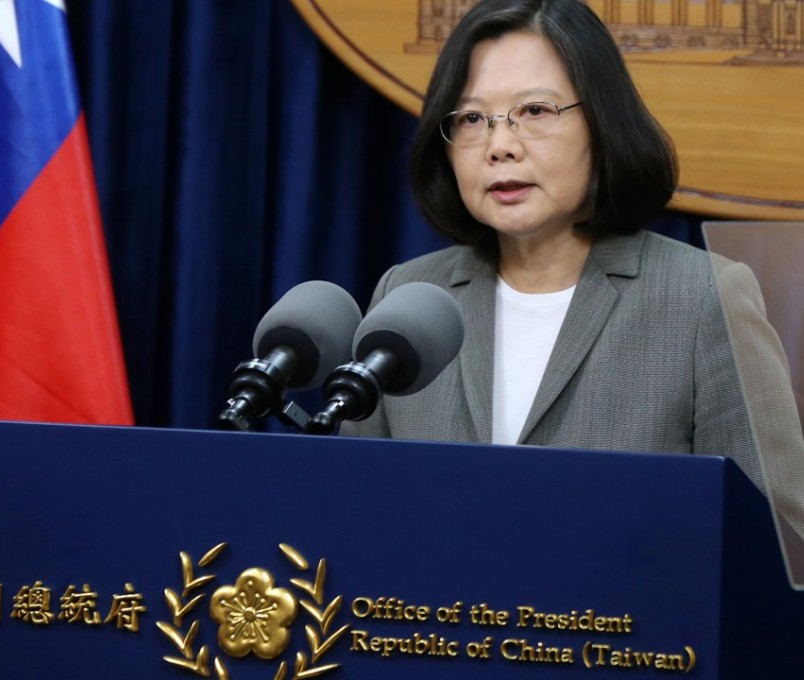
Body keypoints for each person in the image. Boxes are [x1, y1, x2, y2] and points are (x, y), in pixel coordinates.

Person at [340, 0, 804, 535]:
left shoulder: (703, 298)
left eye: (534, 111)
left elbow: (782, 540)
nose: (500, 146)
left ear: (602, 124)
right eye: (471, 119)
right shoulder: (409, 296)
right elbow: (355, 517)